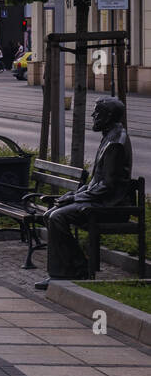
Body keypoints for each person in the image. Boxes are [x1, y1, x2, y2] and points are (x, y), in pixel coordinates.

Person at [38, 98, 134, 290]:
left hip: (112, 205)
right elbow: (95, 181)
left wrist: (75, 197)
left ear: (108, 116)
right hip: (103, 200)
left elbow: (106, 186)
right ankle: (77, 267)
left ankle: (65, 273)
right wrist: (74, 194)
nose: (93, 116)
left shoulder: (115, 142)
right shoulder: (109, 136)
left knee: (57, 217)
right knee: (50, 215)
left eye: (97, 112)